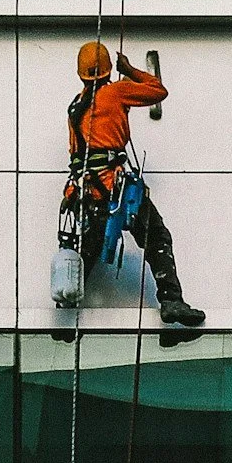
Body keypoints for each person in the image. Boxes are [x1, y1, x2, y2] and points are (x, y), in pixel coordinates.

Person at [58, 41, 203, 336]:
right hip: (115, 188)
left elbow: (77, 152)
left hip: (87, 192)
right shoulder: (115, 92)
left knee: (89, 249)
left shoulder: (75, 106)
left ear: (81, 74)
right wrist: (129, 70)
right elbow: (158, 90)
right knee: (156, 237)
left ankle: (67, 314)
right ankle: (171, 301)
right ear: (108, 69)